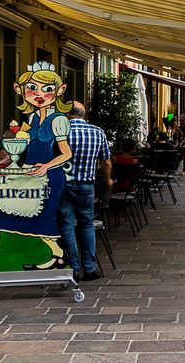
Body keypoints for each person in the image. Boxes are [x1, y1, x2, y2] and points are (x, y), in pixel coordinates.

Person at [0, 62, 73, 271]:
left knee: (41, 215)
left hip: (50, 176)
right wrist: (5, 160)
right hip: (29, 171)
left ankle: (57, 256)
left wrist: (47, 166)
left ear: (59, 90)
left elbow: (67, 153)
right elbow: (24, 144)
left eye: (47, 89)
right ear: (20, 90)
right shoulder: (33, 117)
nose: (39, 94)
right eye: (32, 88)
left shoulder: (59, 120)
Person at [58, 102, 112, 282]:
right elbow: (106, 162)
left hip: (64, 184)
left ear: (67, 115)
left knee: (67, 224)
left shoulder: (60, 133)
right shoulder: (97, 132)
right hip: (86, 185)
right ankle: (89, 268)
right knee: (86, 224)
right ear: (83, 114)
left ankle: (72, 268)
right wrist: (107, 179)